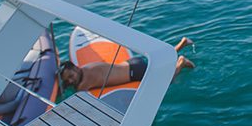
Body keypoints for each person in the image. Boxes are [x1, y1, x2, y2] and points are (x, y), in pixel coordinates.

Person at [59, 36, 195, 92]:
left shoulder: (84, 83)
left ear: (75, 68)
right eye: (68, 80)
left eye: (70, 75)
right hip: (131, 63)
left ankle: (180, 63)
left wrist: (61, 89)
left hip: (135, 72)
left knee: (165, 82)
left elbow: (78, 95)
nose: (71, 80)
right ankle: (181, 44)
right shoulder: (85, 68)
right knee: (158, 63)